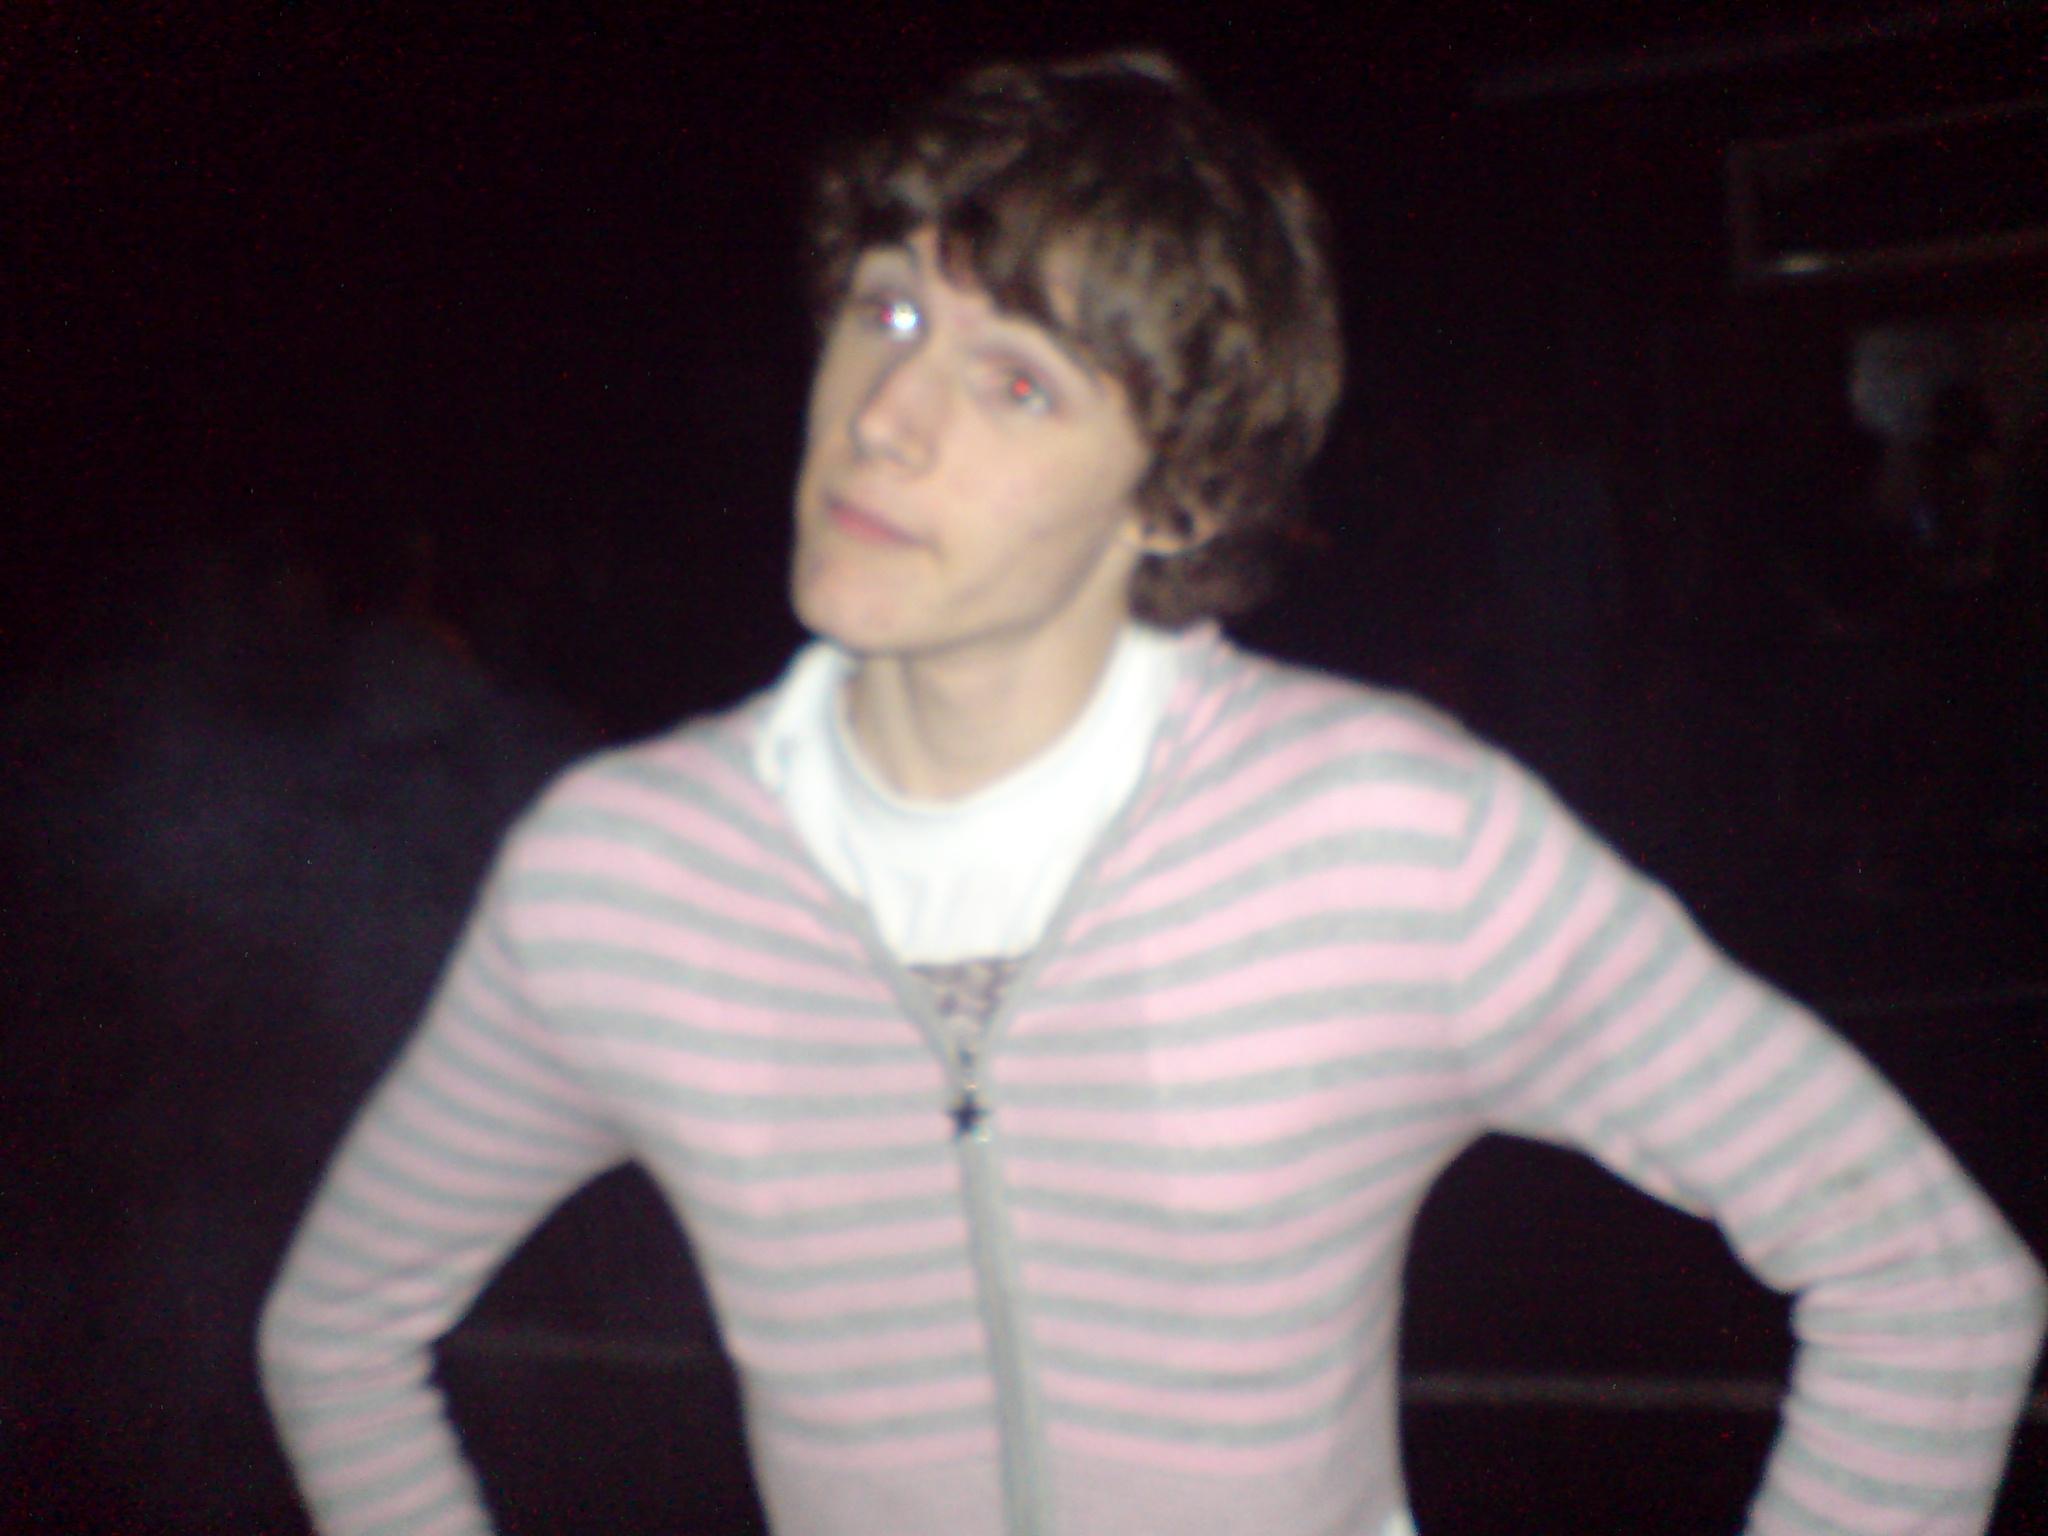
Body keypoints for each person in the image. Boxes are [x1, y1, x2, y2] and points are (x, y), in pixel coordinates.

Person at [259, 51, 2046, 1536]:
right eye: (888, 309)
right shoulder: (622, 882)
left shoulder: (1388, 842)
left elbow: (1933, 1287)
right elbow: (336, 1334)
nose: (885, 414)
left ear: (1177, 497)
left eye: (1014, 379)